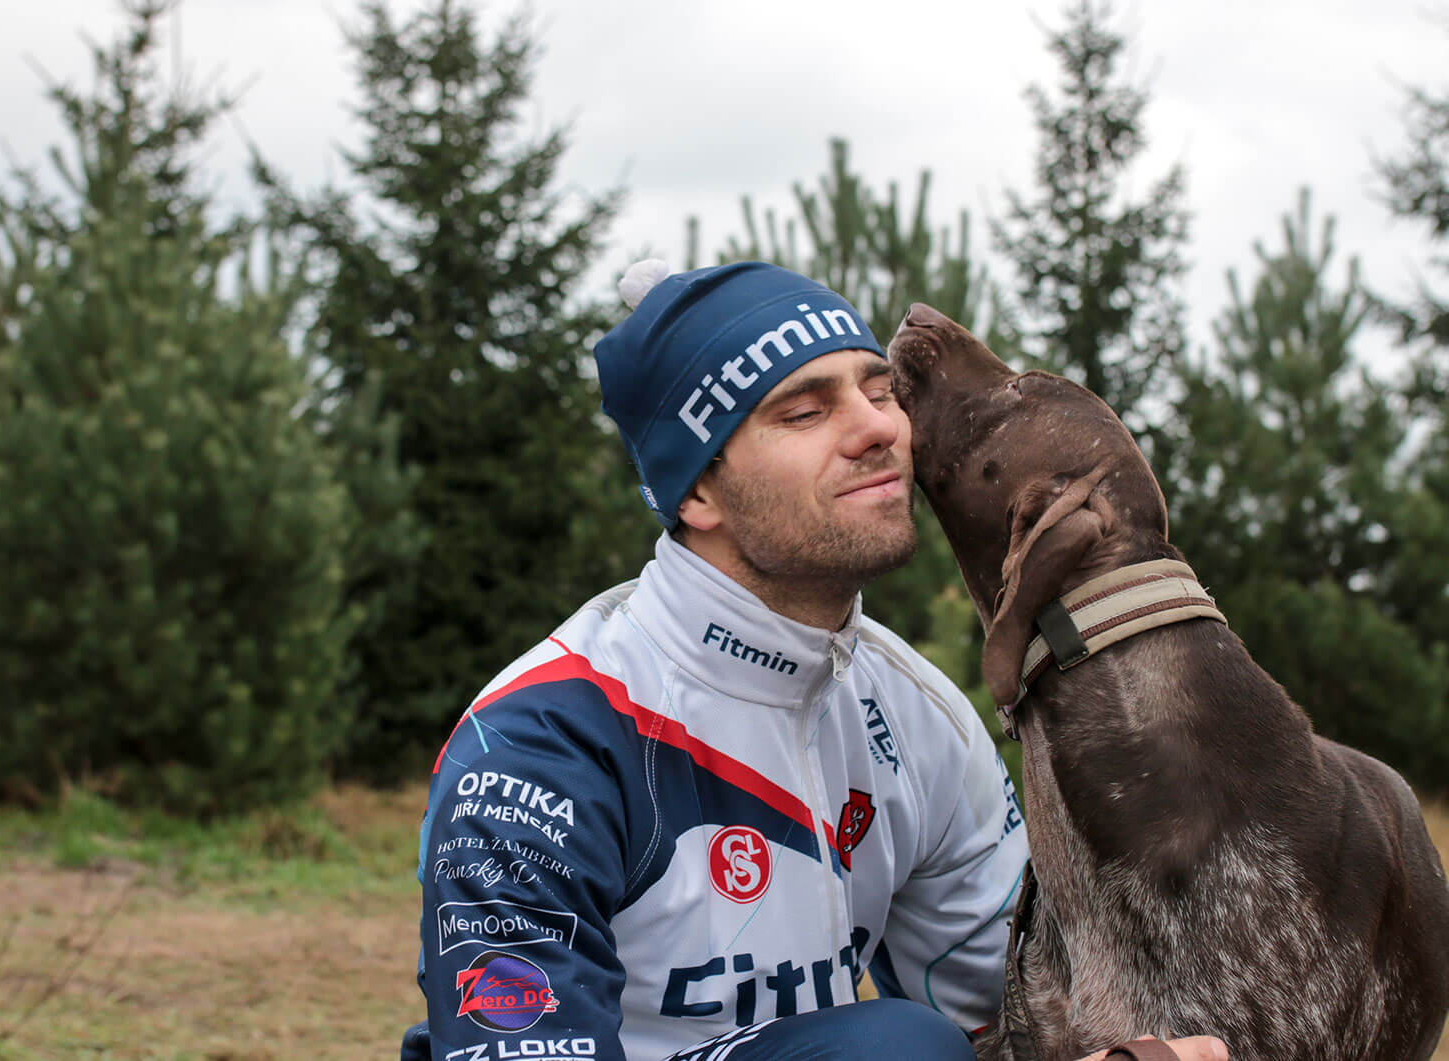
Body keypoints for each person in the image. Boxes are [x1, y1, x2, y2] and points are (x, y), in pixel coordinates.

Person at [401, 260, 1227, 1061]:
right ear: (697, 493)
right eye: (803, 411)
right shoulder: (538, 745)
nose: (879, 428)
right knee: (896, 1049)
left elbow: (1018, 1013)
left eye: (878, 390)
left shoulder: (918, 715)